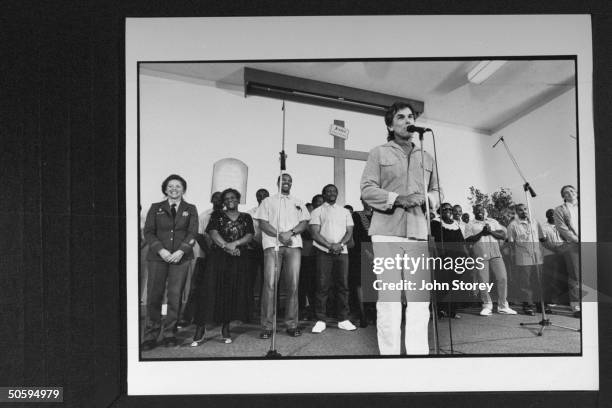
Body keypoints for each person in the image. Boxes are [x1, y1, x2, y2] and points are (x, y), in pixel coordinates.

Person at [360, 101, 440, 355]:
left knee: (419, 299)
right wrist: (397, 199)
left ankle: (418, 355)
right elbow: (367, 190)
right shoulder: (378, 153)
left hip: (417, 231)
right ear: (390, 124)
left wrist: (426, 199)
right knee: (390, 298)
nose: (408, 121)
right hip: (386, 232)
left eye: (411, 117)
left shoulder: (426, 156)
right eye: (401, 117)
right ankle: (391, 356)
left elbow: (437, 191)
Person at [141, 174, 198, 350]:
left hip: (181, 258)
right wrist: (162, 250)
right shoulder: (155, 208)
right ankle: (150, 335)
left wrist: (181, 251)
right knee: (154, 296)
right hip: (158, 258)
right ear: (165, 189)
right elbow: (149, 232)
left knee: (174, 296)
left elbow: (192, 233)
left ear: (184, 189)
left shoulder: (191, 208)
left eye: (178, 186)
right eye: (170, 186)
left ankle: (170, 334)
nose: (174, 189)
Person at [190, 188, 254, 346]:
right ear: (223, 202)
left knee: (229, 293)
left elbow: (249, 235)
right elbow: (212, 233)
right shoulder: (216, 215)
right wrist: (226, 246)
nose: (230, 200)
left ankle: (225, 328)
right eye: (226, 198)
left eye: (233, 197)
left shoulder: (247, 217)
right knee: (209, 292)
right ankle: (200, 328)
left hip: (238, 258)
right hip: (218, 258)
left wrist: (235, 244)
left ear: (238, 200)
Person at [255, 173, 310, 338]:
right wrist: (280, 235)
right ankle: (266, 326)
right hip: (273, 245)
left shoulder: (298, 202)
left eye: (289, 180)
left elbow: (304, 222)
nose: (287, 182)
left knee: (293, 285)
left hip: (293, 246)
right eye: (283, 180)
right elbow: (263, 223)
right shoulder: (267, 201)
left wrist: (290, 233)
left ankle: (292, 324)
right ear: (277, 182)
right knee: (270, 285)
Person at [309, 184, 356, 333]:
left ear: (337, 194)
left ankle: (343, 319)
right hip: (323, 252)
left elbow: (349, 232)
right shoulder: (317, 211)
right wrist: (330, 245)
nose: (332, 193)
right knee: (322, 286)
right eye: (328, 191)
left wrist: (340, 245)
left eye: (334, 191)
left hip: (342, 252)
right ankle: (321, 320)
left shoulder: (345, 212)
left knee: (343, 286)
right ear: (323, 194)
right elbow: (315, 233)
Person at [464, 205, 517, 316]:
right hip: (480, 254)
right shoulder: (470, 224)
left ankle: (503, 306)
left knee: (502, 277)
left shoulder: (493, 221)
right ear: (473, 212)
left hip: (495, 253)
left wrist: (491, 232)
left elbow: (502, 234)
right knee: (483, 281)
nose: (479, 211)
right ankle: (487, 305)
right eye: (477, 210)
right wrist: (481, 233)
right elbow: (468, 240)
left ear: (484, 211)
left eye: (481, 209)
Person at [430, 202, 469, 319]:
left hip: (458, 258)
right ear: (439, 211)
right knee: (442, 284)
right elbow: (432, 240)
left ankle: (451, 310)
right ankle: (440, 310)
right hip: (443, 257)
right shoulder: (435, 223)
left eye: (450, 209)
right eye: (444, 209)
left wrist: (467, 256)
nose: (448, 210)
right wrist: (436, 257)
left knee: (454, 284)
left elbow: (462, 242)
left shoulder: (456, 224)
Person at [507, 204, 545, 316]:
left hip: (537, 256)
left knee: (538, 281)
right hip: (523, 256)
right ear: (516, 212)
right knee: (525, 282)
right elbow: (511, 243)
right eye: (520, 210)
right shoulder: (512, 225)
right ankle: (528, 305)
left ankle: (541, 305)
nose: (523, 211)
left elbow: (542, 238)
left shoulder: (535, 222)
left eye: (525, 209)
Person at [553, 185, 581, 317]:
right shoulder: (559, 210)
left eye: (571, 190)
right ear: (563, 196)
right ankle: (576, 306)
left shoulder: (586, 205)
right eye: (566, 192)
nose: (569, 193)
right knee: (575, 275)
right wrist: (577, 239)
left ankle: (590, 304)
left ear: (576, 192)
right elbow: (562, 228)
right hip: (572, 244)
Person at [348, 198, 374, 327]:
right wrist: (367, 252)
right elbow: (356, 236)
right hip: (361, 252)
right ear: (362, 201)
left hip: (381, 252)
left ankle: (375, 314)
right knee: (360, 283)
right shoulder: (356, 215)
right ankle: (362, 314)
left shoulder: (381, 216)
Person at [541, 208, 567, 306]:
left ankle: (562, 299)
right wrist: (556, 249)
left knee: (562, 277)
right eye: (550, 214)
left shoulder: (561, 226)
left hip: (563, 254)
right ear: (547, 216)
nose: (552, 216)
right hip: (550, 255)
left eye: (554, 214)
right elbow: (544, 242)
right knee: (551, 278)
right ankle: (550, 300)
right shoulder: (544, 227)